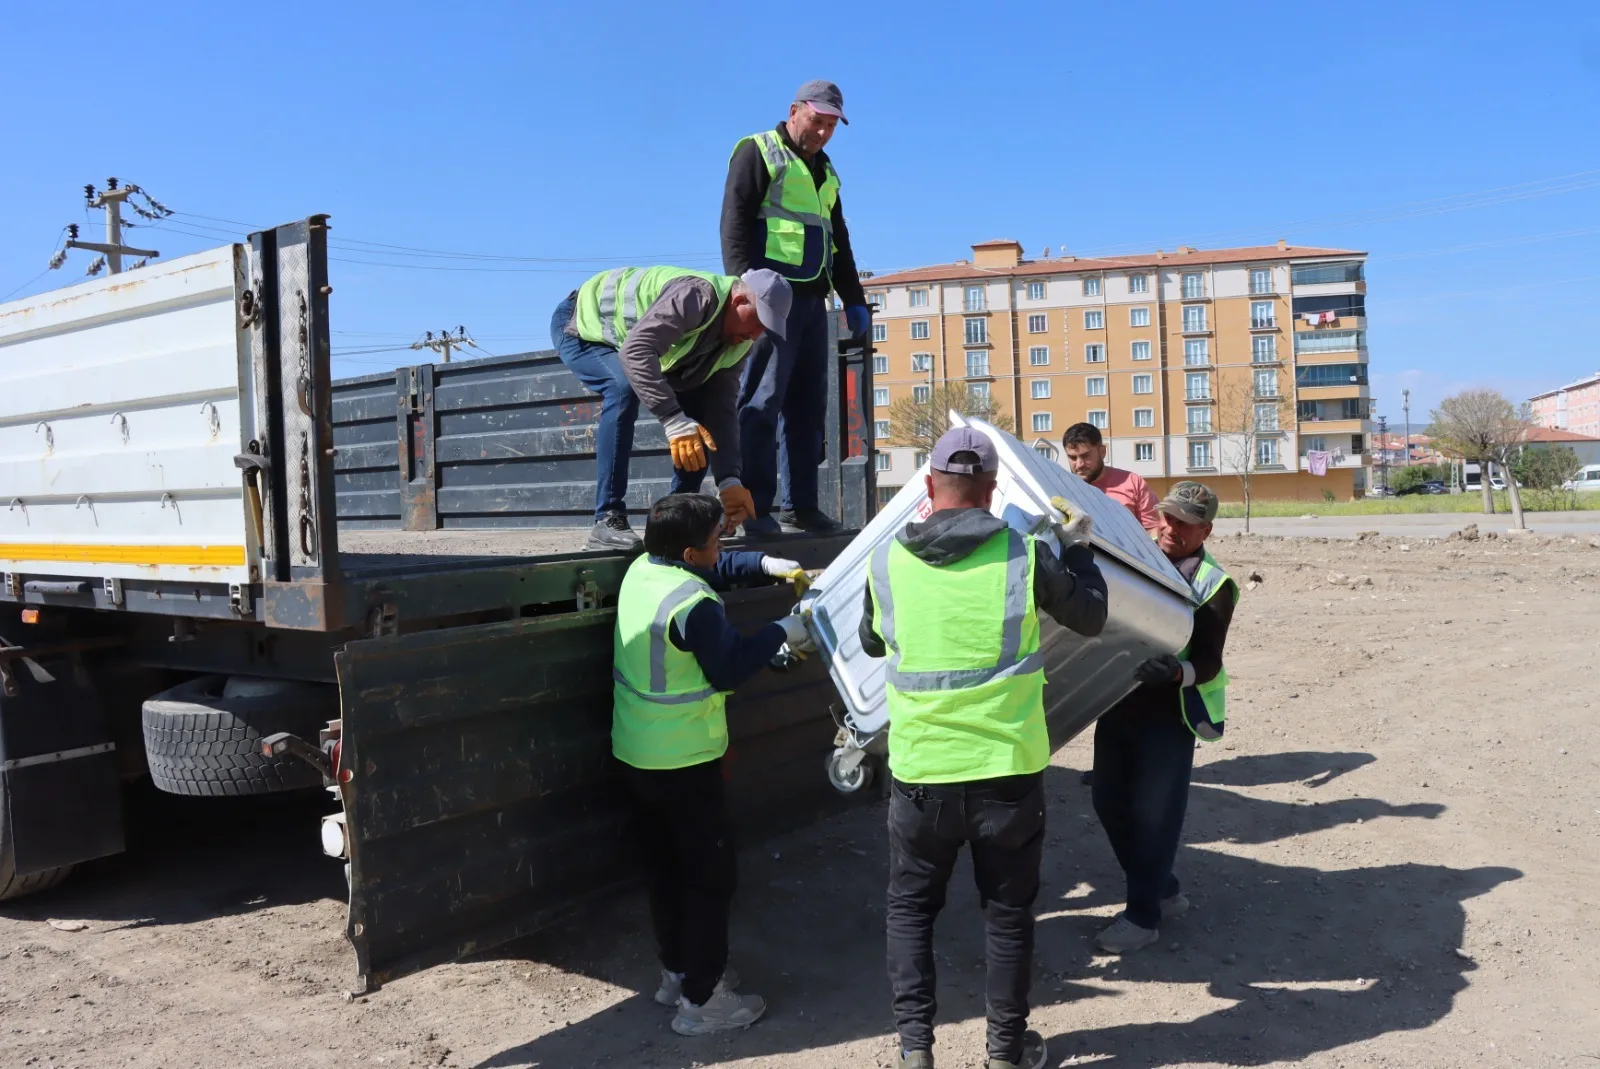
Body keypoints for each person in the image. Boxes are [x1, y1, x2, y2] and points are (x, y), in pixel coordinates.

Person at [857, 428, 1109, 1069]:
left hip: (920, 776)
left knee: (911, 911)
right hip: (1006, 774)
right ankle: (1003, 1053)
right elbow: (1092, 617)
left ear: (927, 486)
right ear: (993, 493)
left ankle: (917, 1051)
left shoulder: (885, 562)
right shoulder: (1025, 555)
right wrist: (1077, 549)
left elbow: (873, 642)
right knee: (1007, 917)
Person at [612, 493, 814, 1036]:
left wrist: (764, 564)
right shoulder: (694, 604)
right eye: (716, 539)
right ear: (690, 550)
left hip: (636, 752)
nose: (721, 546)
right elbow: (727, 670)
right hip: (684, 760)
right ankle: (703, 1004)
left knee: (666, 871)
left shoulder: (642, 570)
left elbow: (714, 568)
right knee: (708, 878)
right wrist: (782, 632)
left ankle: (677, 973)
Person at [1090, 481, 1238, 954]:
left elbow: (1210, 662)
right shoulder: (1137, 555)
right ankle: (1163, 889)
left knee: (1155, 817)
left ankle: (1142, 916)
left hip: (1168, 718)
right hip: (1117, 702)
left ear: (1206, 530)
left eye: (1187, 524)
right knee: (1108, 803)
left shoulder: (1214, 585)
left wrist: (1177, 672)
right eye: (1169, 518)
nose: (1173, 529)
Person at [550, 266, 792, 550]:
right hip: (581, 324)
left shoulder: (737, 343)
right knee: (621, 387)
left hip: (631, 340)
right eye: (758, 322)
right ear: (739, 302)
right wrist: (673, 420)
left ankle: (674, 525)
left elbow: (720, 410)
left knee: (699, 429)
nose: (756, 335)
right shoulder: (696, 296)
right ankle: (607, 518)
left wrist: (729, 479)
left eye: (765, 328)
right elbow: (636, 351)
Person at [722, 79, 869, 536]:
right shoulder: (759, 151)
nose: (823, 132)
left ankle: (801, 506)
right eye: (817, 121)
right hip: (769, 301)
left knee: (808, 408)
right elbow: (735, 220)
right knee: (762, 401)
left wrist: (855, 299)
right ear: (794, 111)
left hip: (813, 299)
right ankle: (755, 507)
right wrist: (743, 287)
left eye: (831, 125)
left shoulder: (826, 171)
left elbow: (837, 239)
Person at [1061, 422, 1160, 533]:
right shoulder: (1062, 488)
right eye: (1073, 458)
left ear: (1102, 452)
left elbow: (1152, 530)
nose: (1079, 464)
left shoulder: (1133, 483)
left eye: (1086, 456)